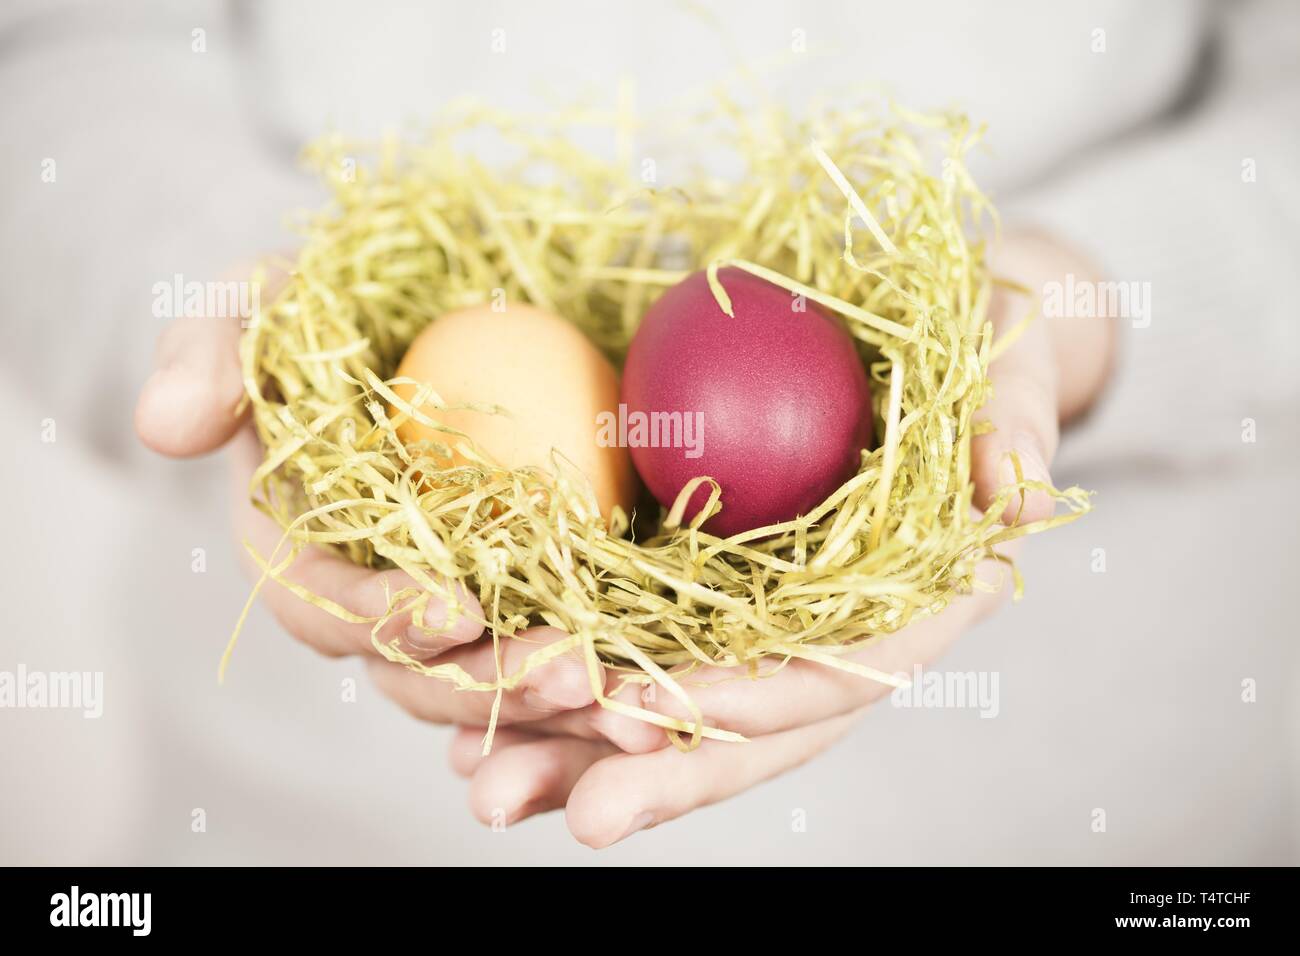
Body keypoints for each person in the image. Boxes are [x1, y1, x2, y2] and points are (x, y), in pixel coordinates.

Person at [6, 0, 1297, 863]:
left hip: (1101, 823)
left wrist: (1085, 300)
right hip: (319, 822)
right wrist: (237, 312)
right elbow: (58, 60)